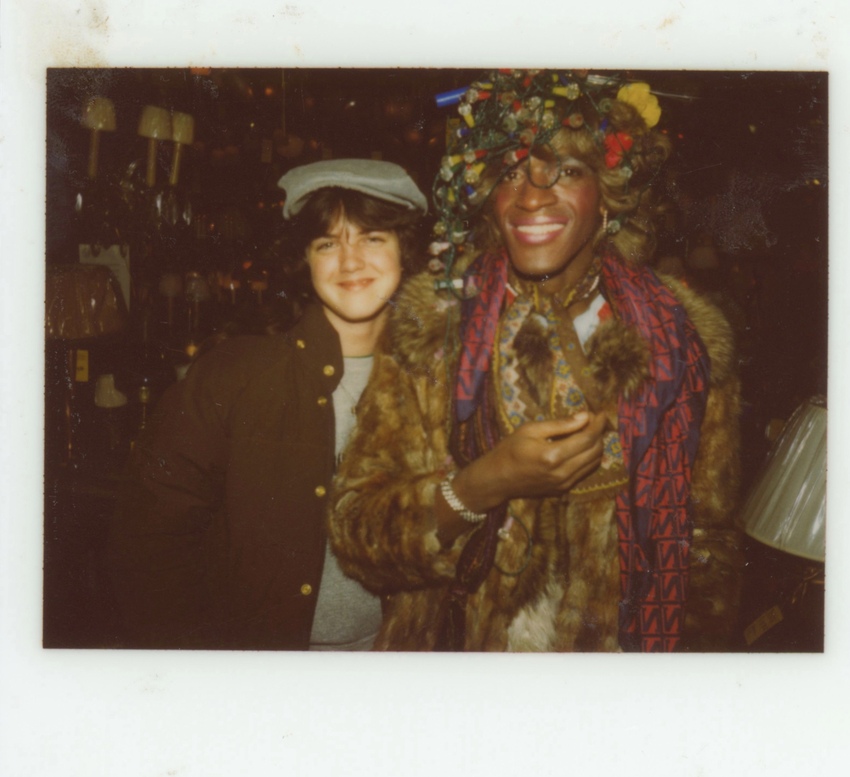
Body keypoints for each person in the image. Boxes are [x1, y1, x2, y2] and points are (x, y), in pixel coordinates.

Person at [329, 70, 745, 652]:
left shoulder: (679, 342)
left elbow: (710, 550)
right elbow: (356, 531)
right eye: (510, 173)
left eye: (567, 172)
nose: (530, 196)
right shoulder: (433, 327)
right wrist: (480, 485)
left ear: (608, 196)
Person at [106, 159, 428, 650]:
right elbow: (149, 543)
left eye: (372, 238)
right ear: (306, 261)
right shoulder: (234, 375)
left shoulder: (439, 380)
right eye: (327, 243)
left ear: (405, 250)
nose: (350, 261)